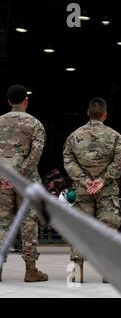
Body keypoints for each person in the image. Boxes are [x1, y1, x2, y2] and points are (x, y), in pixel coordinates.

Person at [63, 97, 121, 282]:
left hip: (83, 190)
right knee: (107, 229)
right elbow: (120, 160)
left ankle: (77, 272)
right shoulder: (115, 136)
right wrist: (103, 180)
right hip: (106, 190)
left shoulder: (74, 136)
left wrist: (84, 181)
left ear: (87, 113)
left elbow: (68, 161)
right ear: (105, 115)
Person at [0, 84, 48, 282]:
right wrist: (19, 175)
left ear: (9, 101)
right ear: (25, 101)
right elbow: (35, 154)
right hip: (26, 181)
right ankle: (31, 269)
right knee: (28, 222)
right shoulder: (35, 124)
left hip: (1, 181)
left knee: (1, 222)